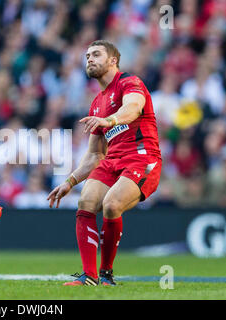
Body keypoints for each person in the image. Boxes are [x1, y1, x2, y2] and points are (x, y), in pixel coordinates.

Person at [47, 40, 162, 286]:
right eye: (87, 55)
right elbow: (94, 155)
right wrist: (70, 181)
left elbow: (133, 108)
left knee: (111, 204)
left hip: (142, 157)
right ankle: (89, 276)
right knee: (85, 202)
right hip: (112, 161)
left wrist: (109, 121)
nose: (89, 58)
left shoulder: (130, 82)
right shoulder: (97, 102)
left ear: (113, 60)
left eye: (96, 54)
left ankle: (106, 274)